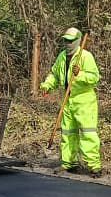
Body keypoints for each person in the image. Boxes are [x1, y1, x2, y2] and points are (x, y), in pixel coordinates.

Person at [40, 26, 102, 177]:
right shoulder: (62, 57)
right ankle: (69, 163)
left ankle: (94, 166)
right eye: (65, 41)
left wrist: (80, 74)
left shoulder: (85, 57)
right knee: (68, 133)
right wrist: (47, 85)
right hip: (68, 100)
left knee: (88, 133)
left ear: (78, 41)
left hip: (84, 101)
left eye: (70, 41)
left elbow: (94, 78)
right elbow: (55, 75)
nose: (67, 44)